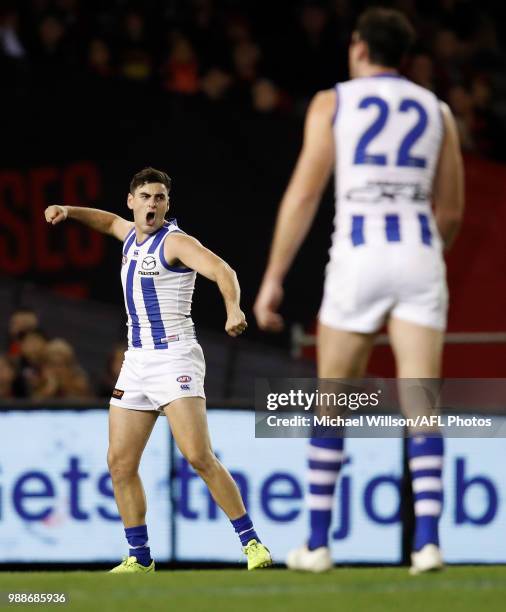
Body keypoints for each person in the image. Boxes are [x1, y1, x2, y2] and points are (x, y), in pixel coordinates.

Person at [254, 8, 464, 575]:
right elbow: (451, 210)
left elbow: (303, 196)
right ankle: (427, 545)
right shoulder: (438, 110)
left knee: (334, 400)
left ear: (357, 48)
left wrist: (272, 278)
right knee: (423, 404)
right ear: (404, 55)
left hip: (358, 256)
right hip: (419, 254)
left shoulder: (334, 102)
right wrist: (424, 254)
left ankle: (317, 544)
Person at [45, 167, 271, 573]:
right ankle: (140, 558)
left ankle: (251, 542)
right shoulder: (130, 235)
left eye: (160, 198)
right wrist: (68, 210)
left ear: (167, 205)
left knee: (198, 456)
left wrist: (233, 307)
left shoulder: (176, 243)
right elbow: (108, 222)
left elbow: (223, 271)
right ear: (132, 201)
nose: (152, 204)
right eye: (146, 197)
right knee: (119, 462)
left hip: (175, 359)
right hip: (136, 362)